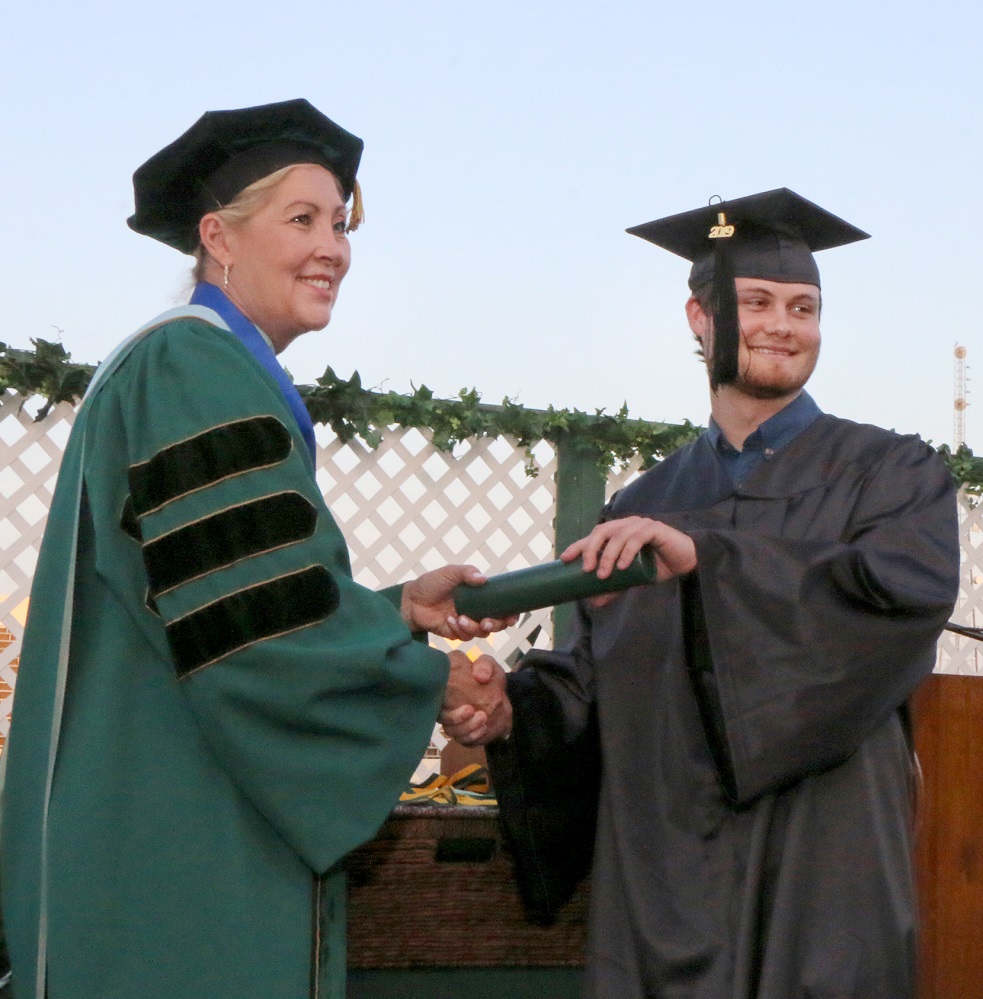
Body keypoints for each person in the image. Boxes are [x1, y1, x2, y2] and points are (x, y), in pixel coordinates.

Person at [0, 99, 507, 999]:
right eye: (301, 219)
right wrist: (428, 680)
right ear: (217, 237)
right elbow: (256, 629)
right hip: (172, 823)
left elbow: (234, 588)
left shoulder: (201, 367)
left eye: (341, 225)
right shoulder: (192, 365)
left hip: (170, 790)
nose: (334, 248)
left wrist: (393, 610)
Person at [441, 189, 961, 999]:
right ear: (699, 316)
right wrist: (512, 711)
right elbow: (590, 680)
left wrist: (708, 560)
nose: (783, 326)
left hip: (819, 870)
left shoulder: (889, 475)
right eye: (755, 303)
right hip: (666, 884)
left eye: (802, 307)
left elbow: (894, 602)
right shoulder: (637, 506)